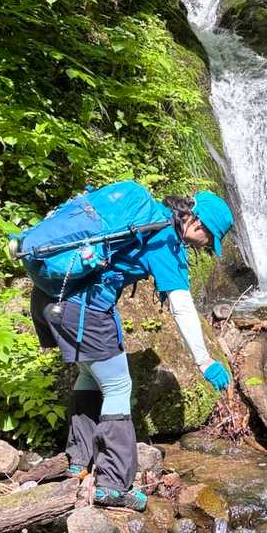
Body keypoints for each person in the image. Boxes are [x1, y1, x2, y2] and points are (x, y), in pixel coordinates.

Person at [30, 187, 234, 509]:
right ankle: (112, 484)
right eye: (209, 237)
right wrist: (205, 360)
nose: (205, 245)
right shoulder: (164, 239)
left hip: (50, 298)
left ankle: (78, 461)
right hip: (83, 310)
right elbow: (181, 307)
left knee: (91, 374)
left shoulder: (145, 218)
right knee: (118, 386)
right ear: (197, 221)